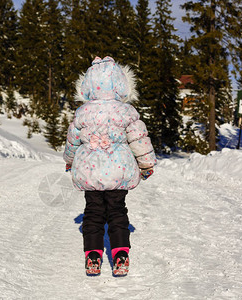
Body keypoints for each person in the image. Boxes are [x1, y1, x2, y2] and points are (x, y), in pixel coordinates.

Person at [63, 56, 156, 276]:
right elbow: (138, 139)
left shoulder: (83, 112)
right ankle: (121, 255)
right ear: (122, 84)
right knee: (117, 212)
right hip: (118, 171)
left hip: (90, 171)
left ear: (87, 85)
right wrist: (146, 164)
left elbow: (72, 141)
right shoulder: (126, 112)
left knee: (93, 213)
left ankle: (93, 257)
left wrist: (69, 160)